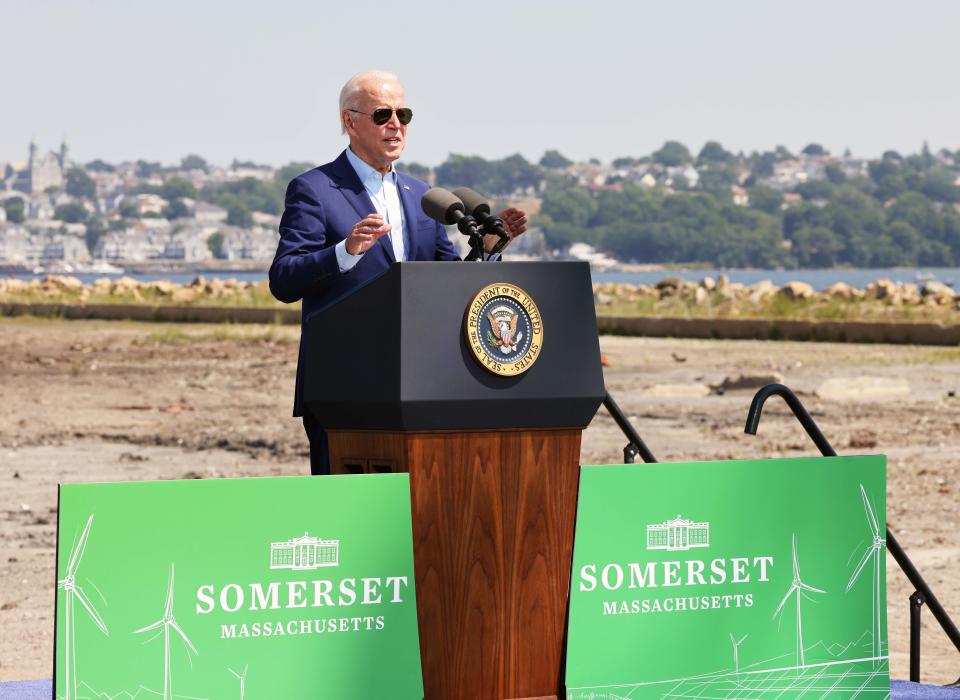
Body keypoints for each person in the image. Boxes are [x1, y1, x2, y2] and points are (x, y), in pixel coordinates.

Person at [269, 69, 528, 475]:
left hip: (421, 385)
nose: (395, 125)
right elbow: (283, 279)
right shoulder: (315, 189)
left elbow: (446, 284)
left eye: (403, 115)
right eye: (382, 115)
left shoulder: (425, 195)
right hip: (344, 386)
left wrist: (486, 251)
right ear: (349, 122)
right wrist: (345, 251)